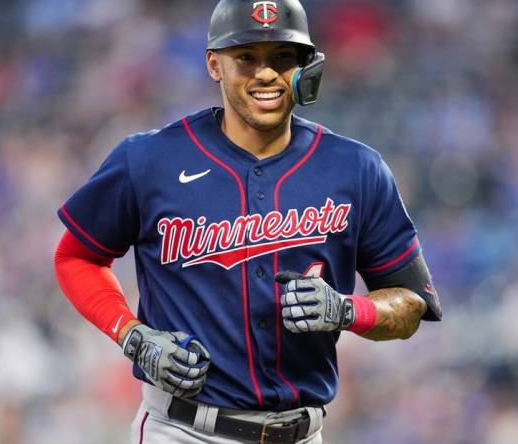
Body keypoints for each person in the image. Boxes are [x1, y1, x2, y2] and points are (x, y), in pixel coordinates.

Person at [54, 1, 442, 442]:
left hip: (301, 433)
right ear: (214, 64)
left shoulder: (356, 169)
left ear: (305, 65)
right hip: (182, 431)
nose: (266, 74)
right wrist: (133, 335)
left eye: (282, 57)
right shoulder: (149, 159)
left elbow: (412, 304)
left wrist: (348, 309)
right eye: (246, 58)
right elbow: (76, 257)